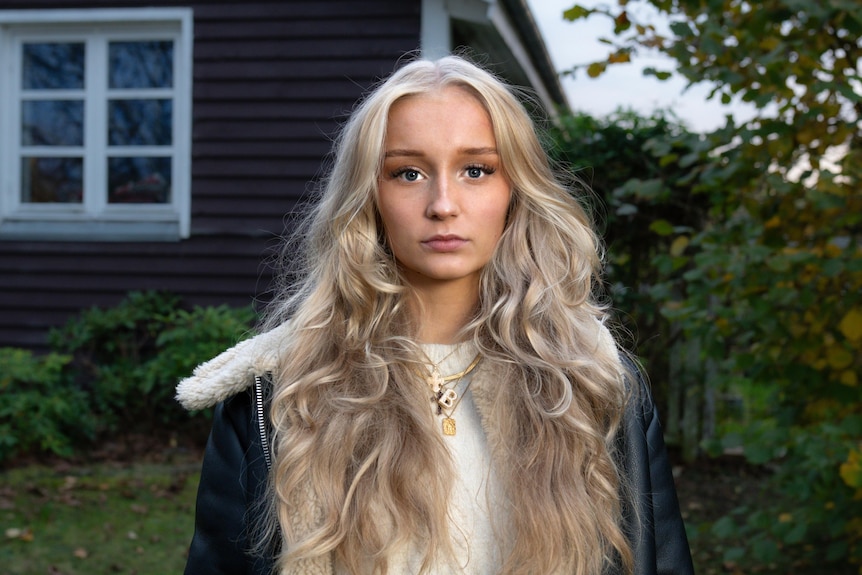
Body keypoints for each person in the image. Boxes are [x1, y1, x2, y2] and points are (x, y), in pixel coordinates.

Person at [176, 54, 694, 575]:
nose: (443, 204)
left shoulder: (595, 385)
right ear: (368, 196)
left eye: (476, 170)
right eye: (408, 173)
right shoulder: (280, 395)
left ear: (515, 191)